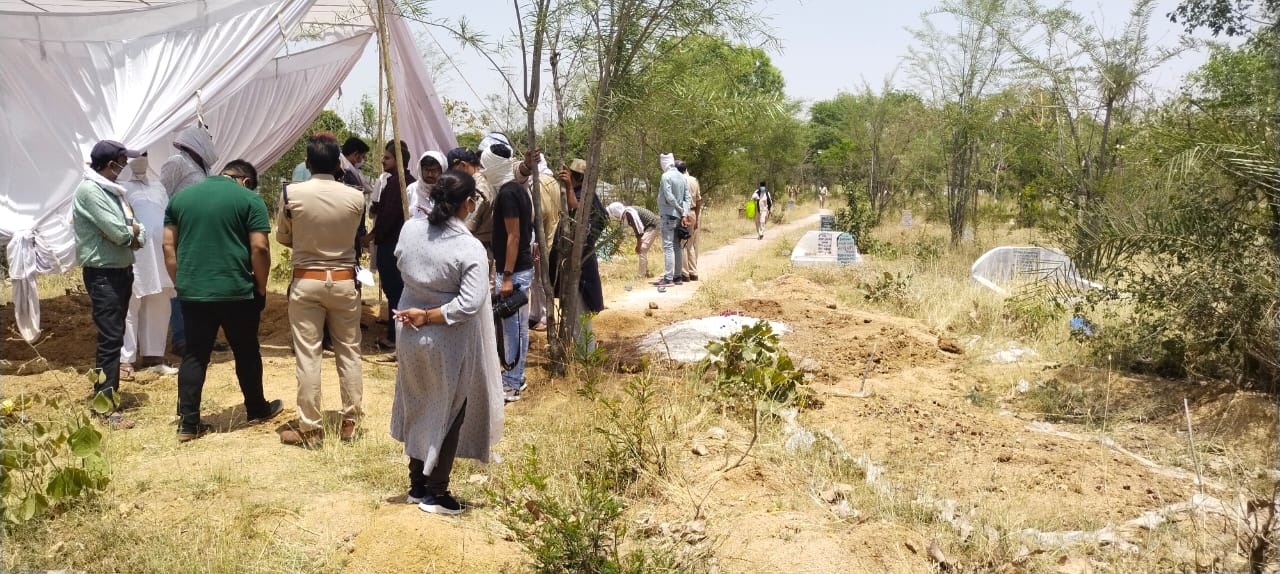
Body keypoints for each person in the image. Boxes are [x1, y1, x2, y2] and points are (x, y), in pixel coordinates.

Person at [390, 170, 504, 515]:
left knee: (418, 401)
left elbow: (399, 260)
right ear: (469, 203)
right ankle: (436, 493)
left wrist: (421, 304)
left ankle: (416, 483)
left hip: (408, 330)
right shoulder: (468, 246)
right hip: (447, 338)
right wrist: (430, 313)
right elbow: (470, 303)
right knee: (450, 409)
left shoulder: (411, 230)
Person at [164, 160, 284, 442]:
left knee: (195, 354)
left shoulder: (180, 198)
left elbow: (168, 245)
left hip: (193, 291)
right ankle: (256, 409)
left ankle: (189, 424)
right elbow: (259, 247)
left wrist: (180, 281)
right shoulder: (250, 200)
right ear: (245, 180)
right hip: (238, 290)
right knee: (246, 350)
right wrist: (262, 286)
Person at [275, 134, 366, 448]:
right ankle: (351, 422)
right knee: (350, 351)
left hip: (306, 279)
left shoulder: (292, 193)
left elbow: (283, 237)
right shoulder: (356, 196)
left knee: (308, 355)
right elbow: (357, 236)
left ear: (308, 163)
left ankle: (311, 429)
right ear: (339, 162)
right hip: (344, 280)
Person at [73, 139, 146, 430]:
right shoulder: (90, 190)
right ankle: (104, 405)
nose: (125, 165)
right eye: (121, 160)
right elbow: (119, 231)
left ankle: (109, 394)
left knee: (114, 336)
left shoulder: (114, 192)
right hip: (103, 273)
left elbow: (136, 230)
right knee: (111, 337)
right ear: (109, 163)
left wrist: (131, 232)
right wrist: (129, 232)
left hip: (120, 270)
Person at [161, 123, 220, 358]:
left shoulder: (203, 168)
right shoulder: (176, 163)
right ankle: (181, 338)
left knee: (204, 287)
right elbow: (162, 195)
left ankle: (204, 336)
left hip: (203, 233)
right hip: (182, 233)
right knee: (181, 285)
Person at [119, 153, 178, 381]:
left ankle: (154, 356)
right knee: (129, 305)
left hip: (161, 255)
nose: (140, 159)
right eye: (134, 155)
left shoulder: (158, 186)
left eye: (143, 155)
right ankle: (126, 359)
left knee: (160, 303)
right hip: (134, 255)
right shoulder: (119, 187)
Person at [368, 140, 415, 351]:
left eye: (387, 157)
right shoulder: (399, 181)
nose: (382, 160)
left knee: (394, 290)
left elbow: (387, 217)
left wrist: (372, 237)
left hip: (392, 244)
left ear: (398, 160)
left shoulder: (398, 184)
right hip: (401, 244)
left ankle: (394, 337)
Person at [554, 159, 606, 348]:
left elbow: (578, 215)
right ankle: (582, 352)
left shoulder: (587, 198)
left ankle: (587, 355)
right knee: (576, 312)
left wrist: (568, 187)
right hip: (576, 262)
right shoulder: (585, 196)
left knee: (580, 314)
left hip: (581, 264)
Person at [493, 179, 535, 403]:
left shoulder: (509, 194)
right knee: (517, 328)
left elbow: (514, 235)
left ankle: (512, 382)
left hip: (515, 272)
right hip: (516, 269)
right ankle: (516, 375)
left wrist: (507, 276)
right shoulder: (517, 188)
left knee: (514, 329)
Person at [655, 153, 691, 287]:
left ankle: (668, 278)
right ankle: (678, 277)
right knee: (677, 246)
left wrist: (679, 209)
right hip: (679, 216)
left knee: (668, 246)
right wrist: (684, 213)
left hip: (668, 214)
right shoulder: (682, 177)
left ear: (664, 164)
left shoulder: (666, 176)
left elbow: (669, 196)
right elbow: (687, 198)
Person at [606, 202, 659, 279]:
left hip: (652, 225)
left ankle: (641, 276)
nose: (614, 217)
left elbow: (639, 231)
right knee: (642, 249)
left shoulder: (629, 213)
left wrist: (638, 245)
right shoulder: (625, 214)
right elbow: (622, 234)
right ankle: (645, 272)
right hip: (647, 227)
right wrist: (615, 248)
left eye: (614, 214)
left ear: (616, 212)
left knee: (642, 249)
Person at [677, 161, 701, 282]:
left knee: (683, 244)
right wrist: (696, 217)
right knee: (690, 244)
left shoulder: (679, 180)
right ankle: (693, 272)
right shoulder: (694, 180)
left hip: (684, 214)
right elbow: (699, 201)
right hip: (693, 213)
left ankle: (685, 274)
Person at [406, 151, 445, 219]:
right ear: (421, 170)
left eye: (434, 171)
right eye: (426, 170)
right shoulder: (411, 189)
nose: (429, 174)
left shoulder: (447, 191)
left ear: (442, 170)